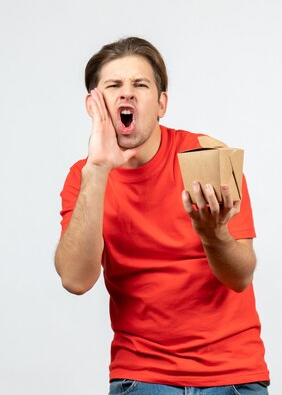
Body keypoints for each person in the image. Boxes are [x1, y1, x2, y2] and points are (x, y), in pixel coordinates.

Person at [54, 37, 270, 395]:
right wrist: (98, 169)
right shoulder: (84, 177)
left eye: (140, 85)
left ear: (161, 104)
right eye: (114, 85)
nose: (127, 94)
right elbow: (75, 280)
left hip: (232, 375)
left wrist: (213, 234)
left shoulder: (208, 156)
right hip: (141, 377)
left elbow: (241, 276)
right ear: (94, 104)